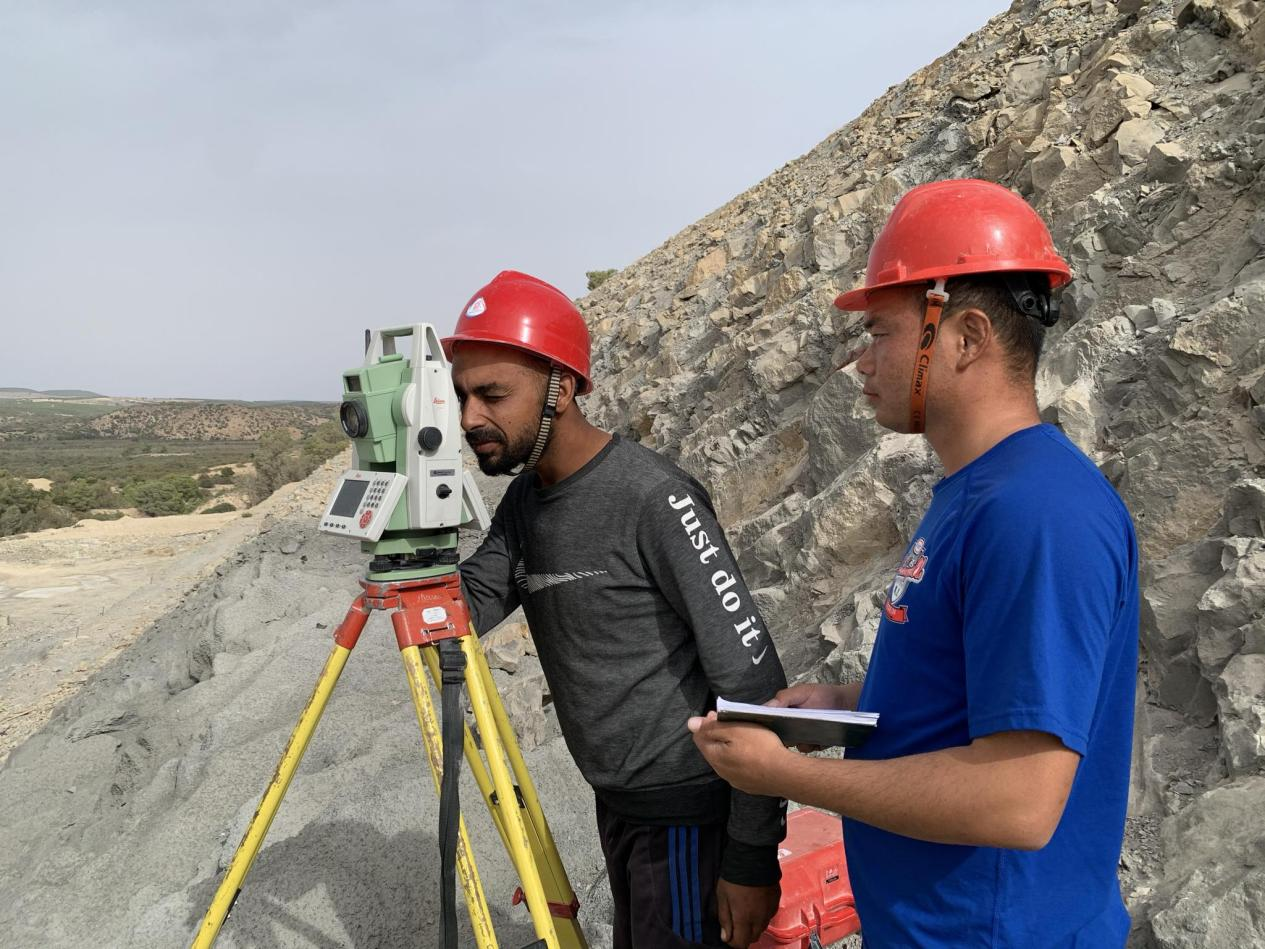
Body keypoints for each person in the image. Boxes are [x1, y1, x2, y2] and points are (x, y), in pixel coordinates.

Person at [689, 179, 1139, 947]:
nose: (860, 362)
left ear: (964, 336)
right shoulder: (980, 491)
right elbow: (980, 692)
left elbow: (1017, 800)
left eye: (879, 332)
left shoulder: (1033, 512)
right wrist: (846, 707)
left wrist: (786, 775)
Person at [447, 270, 788, 948]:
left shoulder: (655, 498)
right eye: (461, 395)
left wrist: (750, 854)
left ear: (562, 386)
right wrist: (407, 556)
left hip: (687, 812)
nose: (469, 418)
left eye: (492, 394)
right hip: (619, 804)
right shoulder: (524, 502)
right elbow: (468, 604)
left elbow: (752, 679)